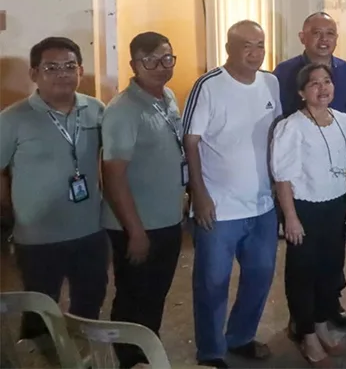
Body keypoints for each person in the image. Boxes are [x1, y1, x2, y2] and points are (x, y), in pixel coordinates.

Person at [182, 20, 283, 368]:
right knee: (212, 282)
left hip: (262, 204)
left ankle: (241, 336)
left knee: (260, 274)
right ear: (229, 48)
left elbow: (277, 136)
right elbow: (190, 141)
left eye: (260, 45)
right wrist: (199, 193)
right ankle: (210, 350)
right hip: (219, 206)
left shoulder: (271, 82)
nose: (255, 53)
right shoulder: (209, 85)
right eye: (247, 46)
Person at [0, 37, 107, 339]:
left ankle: (82, 358)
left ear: (80, 70)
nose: (62, 74)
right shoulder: (13, 119)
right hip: (37, 239)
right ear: (34, 74)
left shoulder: (96, 109)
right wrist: (7, 206)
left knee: (90, 304)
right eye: (51, 67)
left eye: (69, 66)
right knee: (39, 312)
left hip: (90, 231)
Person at [101, 32, 186, 368]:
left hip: (166, 220)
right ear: (133, 64)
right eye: (149, 61)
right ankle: (129, 359)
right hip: (137, 226)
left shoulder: (167, 97)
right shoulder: (123, 110)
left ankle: (146, 353)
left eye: (167, 59)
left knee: (154, 295)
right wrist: (135, 232)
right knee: (133, 297)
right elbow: (114, 176)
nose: (160, 67)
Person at [271, 63, 346, 366]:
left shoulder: (344, 120)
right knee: (302, 272)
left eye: (327, 82)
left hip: (335, 205)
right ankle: (306, 333)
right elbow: (282, 178)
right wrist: (291, 217)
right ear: (301, 92)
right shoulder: (291, 126)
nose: (323, 89)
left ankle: (322, 323)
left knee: (330, 268)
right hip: (304, 208)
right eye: (314, 84)